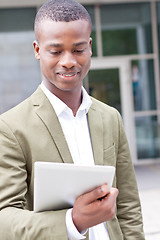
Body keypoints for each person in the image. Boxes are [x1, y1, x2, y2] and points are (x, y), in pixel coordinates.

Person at [0, 0, 145, 239]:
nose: (68, 61)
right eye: (56, 51)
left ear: (90, 47)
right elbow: (4, 217)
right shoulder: (11, 128)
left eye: (78, 50)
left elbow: (128, 206)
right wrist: (72, 221)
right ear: (37, 50)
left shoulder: (110, 117)